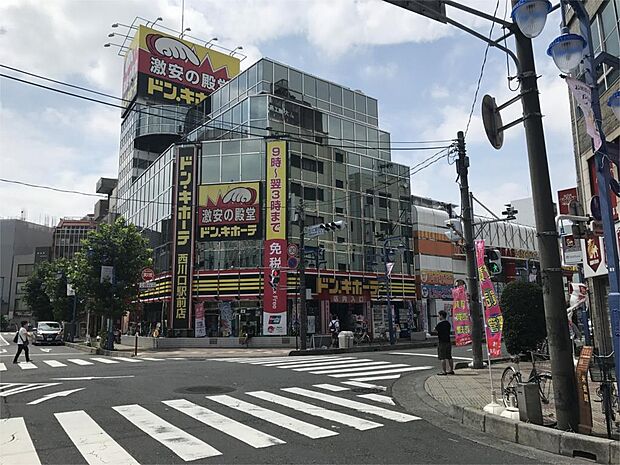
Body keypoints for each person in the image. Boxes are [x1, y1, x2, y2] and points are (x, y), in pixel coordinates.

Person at [435, 310, 454, 375]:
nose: (438, 317)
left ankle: (444, 371)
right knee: (449, 356)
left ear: (441, 316)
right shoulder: (448, 324)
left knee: (442, 357)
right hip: (448, 341)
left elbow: (434, 330)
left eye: (439, 315)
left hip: (442, 342)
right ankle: (451, 370)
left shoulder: (439, 324)